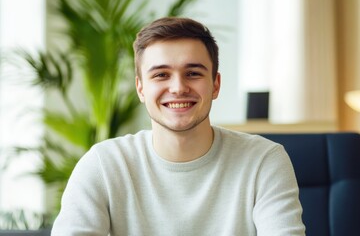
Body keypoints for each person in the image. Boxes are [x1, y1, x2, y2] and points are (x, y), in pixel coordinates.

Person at [51, 17, 305, 235]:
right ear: (141, 88)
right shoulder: (103, 164)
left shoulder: (264, 161)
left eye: (193, 73)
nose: (178, 88)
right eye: (161, 75)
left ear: (215, 85)